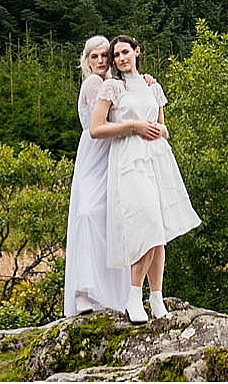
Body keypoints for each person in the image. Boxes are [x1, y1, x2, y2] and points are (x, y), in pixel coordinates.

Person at [88, 33, 200, 322]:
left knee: (159, 231)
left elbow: (163, 127)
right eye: (116, 55)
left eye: (125, 52)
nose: (120, 58)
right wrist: (134, 126)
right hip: (128, 158)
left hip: (157, 159)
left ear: (137, 52)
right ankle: (133, 297)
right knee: (147, 223)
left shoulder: (152, 86)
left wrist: (156, 129)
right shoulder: (113, 87)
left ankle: (157, 299)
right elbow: (96, 129)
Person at [61, 36, 133, 315]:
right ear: (87, 61)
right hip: (96, 152)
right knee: (89, 214)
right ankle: (85, 290)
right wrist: (131, 126)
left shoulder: (112, 84)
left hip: (110, 153)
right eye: (95, 56)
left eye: (105, 55)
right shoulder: (94, 84)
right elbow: (99, 124)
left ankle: (107, 293)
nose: (101, 60)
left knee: (110, 220)